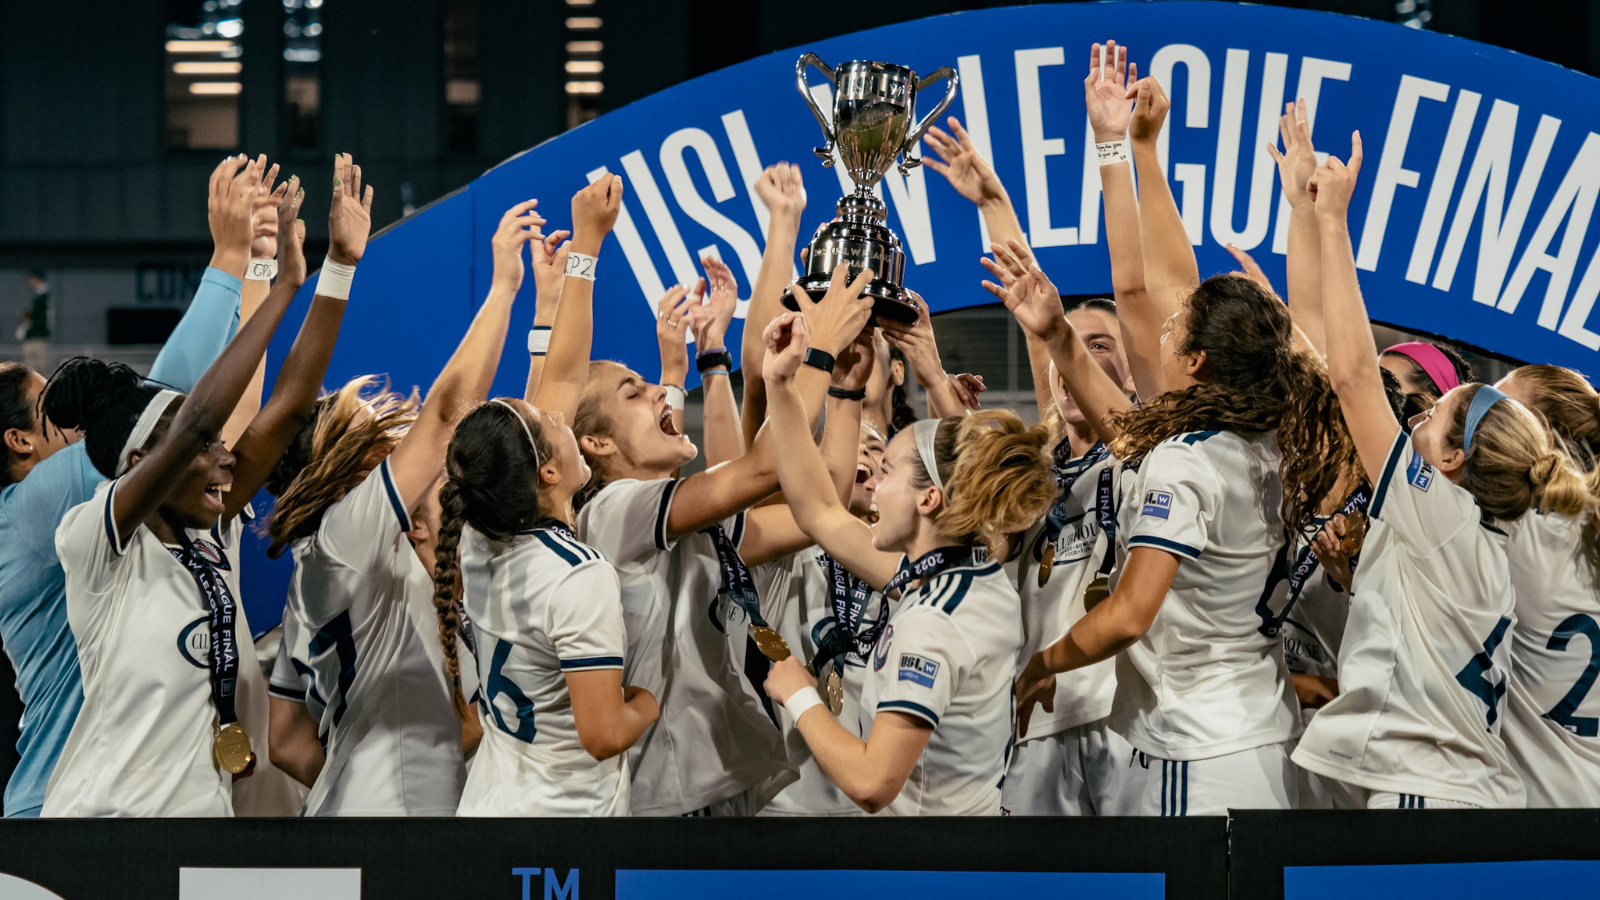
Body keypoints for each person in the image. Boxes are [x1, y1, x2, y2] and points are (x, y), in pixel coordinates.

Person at [1010, 41, 1356, 817]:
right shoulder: (1274, 439)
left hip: (1195, 750)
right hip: (1266, 736)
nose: (1159, 329)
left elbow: (1131, 615)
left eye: (1176, 331)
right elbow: (1145, 312)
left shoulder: (1189, 461)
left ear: (1197, 362)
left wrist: (1047, 661)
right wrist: (1133, 149)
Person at [38, 151, 349, 817]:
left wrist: (336, 268)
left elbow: (290, 404)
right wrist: (276, 284)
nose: (225, 456)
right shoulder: (96, 538)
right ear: (140, 463)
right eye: (201, 449)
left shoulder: (211, 531)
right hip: (104, 830)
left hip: (201, 824)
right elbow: (202, 414)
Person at [1291, 132, 1589, 809]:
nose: (1411, 422)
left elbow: (1350, 377)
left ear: (1454, 459)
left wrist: (1331, 222)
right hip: (1490, 789)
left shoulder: (1444, 516)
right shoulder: (1531, 527)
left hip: (1426, 792)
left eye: (1429, 418)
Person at [263, 181, 547, 816]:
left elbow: (285, 742)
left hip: (380, 818)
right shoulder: (343, 536)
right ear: (338, 462)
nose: (388, 437)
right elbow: (448, 415)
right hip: (398, 829)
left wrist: (351, 781)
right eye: (366, 430)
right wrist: (504, 286)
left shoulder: (328, 559)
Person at [574, 247, 874, 816]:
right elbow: (765, 465)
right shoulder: (611, 512)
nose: (662, 391)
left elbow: (823, 500)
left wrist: (844, 391)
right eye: (634, 394)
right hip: (667, 804)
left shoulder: (684, 523)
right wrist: (820, 352)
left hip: (722, 789)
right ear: (598, 444)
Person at [928, 95, 1139, 814]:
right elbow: (1036, 320)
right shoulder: (1040, 456)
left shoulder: (1148, 448)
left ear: (1135, 374)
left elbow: (1055, 337)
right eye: (1070, 349)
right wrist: (993, 202)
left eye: (1100, 347)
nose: (1074, 358)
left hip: (1130, 713)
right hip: (1035, 716)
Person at [759, 308, 1053, 816]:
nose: (874, 482)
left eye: (889, 470)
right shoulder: (957, 574)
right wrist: (784, 386)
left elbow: (873, 783)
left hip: (934, 866)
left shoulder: (934, 621)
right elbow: (819, 511)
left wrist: (799, 694)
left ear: (928, 500)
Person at [1493, 364, 1600, 807]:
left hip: (1542, 819)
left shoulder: (1517, 536)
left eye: (1499, 414)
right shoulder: (1581, 537)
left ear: (1543, 441)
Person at [19, 271, 49, 375]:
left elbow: (42, 317)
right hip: (34, 335)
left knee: (38, 367)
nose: (29, 281)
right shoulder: (37, 295)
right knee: (30, 367)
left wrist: (29, 317)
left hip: (38, 336)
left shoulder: (43, 294)